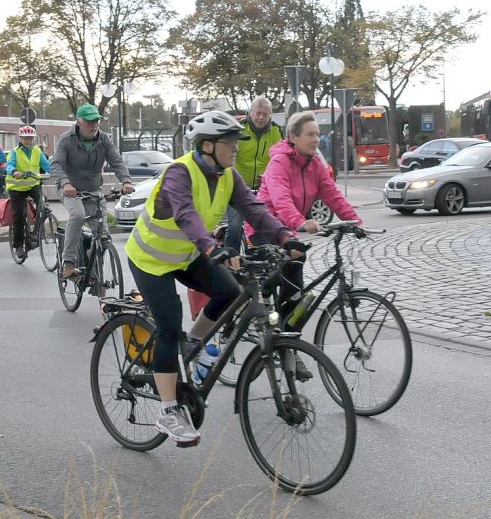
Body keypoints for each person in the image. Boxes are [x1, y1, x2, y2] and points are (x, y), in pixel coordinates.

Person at [124, 110, 305, 446]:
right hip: (151, 259)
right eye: (230, 143)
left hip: (188, 255)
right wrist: (212, 246)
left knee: (229, 291)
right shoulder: (180, 172)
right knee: (168, 324)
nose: (236, 148)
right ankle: (168, 410)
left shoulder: (227, 175)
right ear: (208, 146)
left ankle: (192, 344)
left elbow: (254, 208)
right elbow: (185, 214)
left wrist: (284, 236)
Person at [252, 111, 360, 317]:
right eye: (310, 134)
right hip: (263, 225)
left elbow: (333, 195)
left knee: (295, 282)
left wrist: (355, 221)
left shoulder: (315, 164)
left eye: (317, 134)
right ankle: (259, 291)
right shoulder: (279, 162)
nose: (316, 140)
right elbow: (280, 199)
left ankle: (283, 333)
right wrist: (300, 221)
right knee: (286, 263)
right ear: (293, 137)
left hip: (286, 228)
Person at [49, 104, 134, 280]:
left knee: (103, 237)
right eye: (89, 121)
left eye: (96, 120)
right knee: (78, 215)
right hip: (70, 190)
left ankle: (95, 274)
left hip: (93, 190)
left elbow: (116, 161)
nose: (93, 124)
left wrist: (125, 180)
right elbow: (56, 165)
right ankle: (69, 263)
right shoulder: (66, 139)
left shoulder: (104, 139)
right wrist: (65, 183)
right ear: (78, 122)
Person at [224, 97, 282, 251]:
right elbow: (229, 157)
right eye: (258, 113)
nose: (261, 117)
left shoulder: (276, 131)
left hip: (264, 189)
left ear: (270, 115)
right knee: (235, 226)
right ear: (250, 113)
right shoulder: (239, 129)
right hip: (237, 189)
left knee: (268, 226)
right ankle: (230, 259)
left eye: (265, 114)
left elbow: (279, 159)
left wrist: (268, 176)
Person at [4, 125, 52, 258]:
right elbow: (9, 165)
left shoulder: (37, 151)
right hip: (16, 187)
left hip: (32, 184)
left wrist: (57, 173)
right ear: (20, 138)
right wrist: (15, 172)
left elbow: (46, 165)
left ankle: (35, 234)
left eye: (30, 138)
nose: (28, 141)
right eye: (25, 138)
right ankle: (18, 245)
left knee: (42, 205)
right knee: (19, 214)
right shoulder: (14, 152)